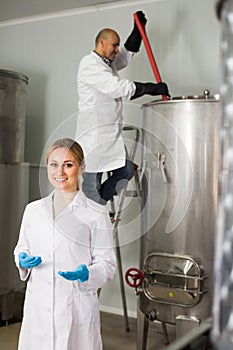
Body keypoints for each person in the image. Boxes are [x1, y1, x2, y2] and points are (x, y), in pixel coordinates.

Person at [14, 138, 116, 350]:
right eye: (54, 164)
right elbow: (22, 247)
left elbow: (107, 265)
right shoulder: (33, 210)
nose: (60, 171)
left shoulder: (96, 214)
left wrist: (86, 273)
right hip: (39, 307)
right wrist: (22, 260)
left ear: (81, 167)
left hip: (75, 306)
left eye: (68, 164)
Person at [75, 11, 170, 205]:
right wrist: (151, 88)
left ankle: (98, 205)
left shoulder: (108, 65)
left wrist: (137, 30)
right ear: (101, 43)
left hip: (110, 136)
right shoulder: (89, 65)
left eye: (117, 45)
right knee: (91, 187)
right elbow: (118, 88)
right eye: (114, 45)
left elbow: (126, 56)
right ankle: (94, 217)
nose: (117, 49)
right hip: (93, 139)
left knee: (125, 171)